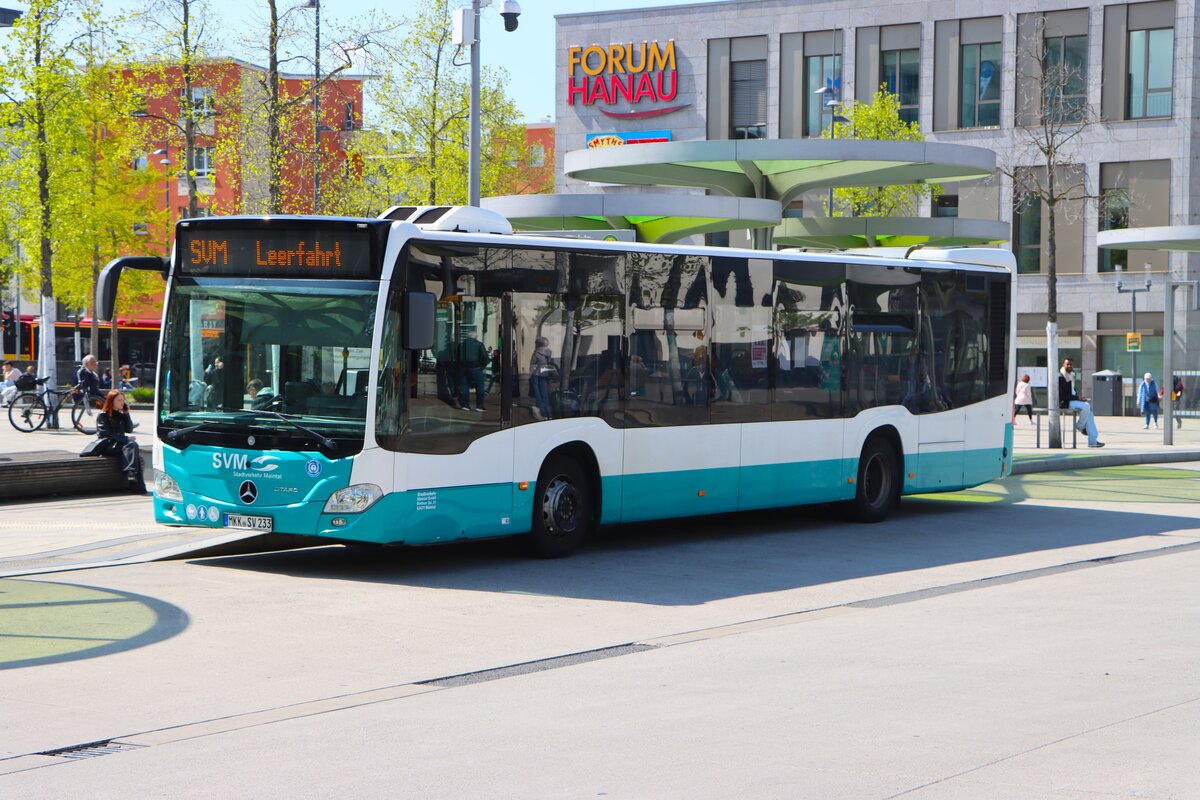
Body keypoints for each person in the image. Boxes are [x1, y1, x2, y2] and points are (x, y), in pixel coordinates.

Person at [94, 390, 147, 494]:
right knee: (132, 446)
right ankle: (134, 480)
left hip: (121, 445)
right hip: (108, 446)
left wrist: (127, 414)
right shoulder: (103, 415)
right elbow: (106, 435)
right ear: (111, 401)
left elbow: (129, 429)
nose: (122, 403)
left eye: (123, 400)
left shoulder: (120, 414)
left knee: (133, 448)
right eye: (119, 400)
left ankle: (134, 479)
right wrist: (126, 439)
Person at [1058, 358, 1104, 448]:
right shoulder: (1061, 377)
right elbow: (1064, 396)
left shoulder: (1071, 375)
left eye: (1071, 364)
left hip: (1073, 400)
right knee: (1086, 406)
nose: (1069, 366)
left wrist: (1080, 398)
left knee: (1089, 412)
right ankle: (1080, 426)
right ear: (1063, 365)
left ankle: (1092, 441)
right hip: (1066, 403)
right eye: (1067, 364)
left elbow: (1072, 391)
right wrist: (1078, 398)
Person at [458, 330, 488, 412]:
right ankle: (479, 406)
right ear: (475, 337)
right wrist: (483, 366)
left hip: (464, 368)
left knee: (464, 386)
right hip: (476, 368)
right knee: (480, 387)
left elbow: (457, 357)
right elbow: (484, 356)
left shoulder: (461, 344)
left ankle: (465, 405)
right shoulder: (479, 344)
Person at [529, 336, 555, 420]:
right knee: (544, 392)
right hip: (544, 373)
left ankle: (543, 411)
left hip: (536, 373)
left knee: (537, 392)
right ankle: (549, 413)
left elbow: (532, 364)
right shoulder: (549, 352)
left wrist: (531, 372)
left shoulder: (536, 352)